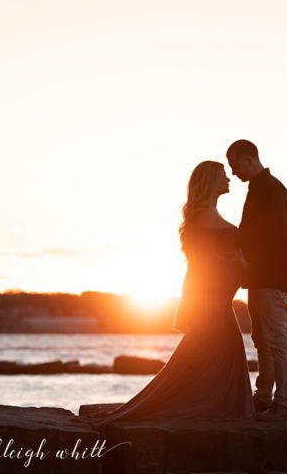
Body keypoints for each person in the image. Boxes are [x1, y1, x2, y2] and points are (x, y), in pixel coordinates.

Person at [83, 161, 255, 425]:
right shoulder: (202, 215)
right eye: (223, 175)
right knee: (212, 350)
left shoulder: (207, 213)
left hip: (216, 296)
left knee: (214, 353)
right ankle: (208, 403)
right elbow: (205, 260)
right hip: (209, 296)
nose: (229, 178)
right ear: (210, 181)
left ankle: (211, 401)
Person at [226, 139, 287, 422]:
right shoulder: (261, 188)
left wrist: (245, 258)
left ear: (247, 159)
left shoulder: (271, 189)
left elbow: (269, 236)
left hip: (271, 278)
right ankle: (264, 397)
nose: (233, 173)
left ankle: (283, 403)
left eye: (234, 166)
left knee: (276, 341)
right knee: (263, 341)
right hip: (260, 278)